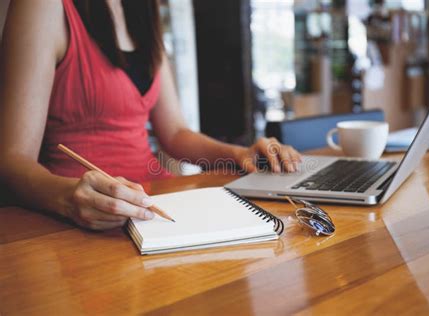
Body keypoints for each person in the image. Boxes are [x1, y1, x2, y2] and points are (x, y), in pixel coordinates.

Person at [0, 0, 301, 230]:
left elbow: (174, 134)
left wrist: (240, 153)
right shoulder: (43, 6)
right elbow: (12, 159)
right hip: (85, 217)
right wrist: (68, 198)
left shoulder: (144, 11)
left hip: (155, 203)